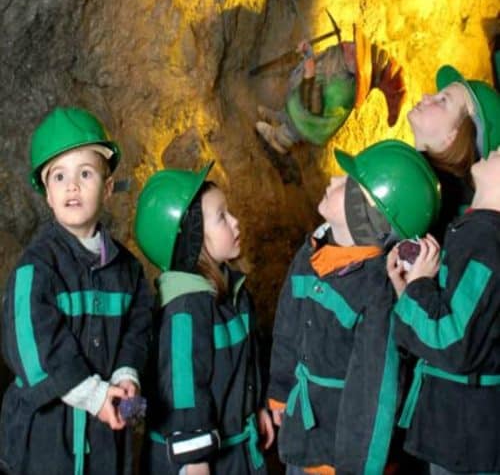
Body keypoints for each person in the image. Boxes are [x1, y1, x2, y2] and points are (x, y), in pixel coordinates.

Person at [267, 140, 441, 475]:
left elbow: (373, 392)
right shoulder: (312, 254)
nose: (332, 181)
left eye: (346, 182)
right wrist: (279, 390)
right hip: (300, 434)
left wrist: (355, 468)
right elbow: (287, 327)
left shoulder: (377, 290)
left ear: (368, 213)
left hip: (340, 454)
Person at [0, 107, 153, 475]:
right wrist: (94, 395)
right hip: (45, 442)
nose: (72, 186)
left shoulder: (128, 271)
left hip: (103, 441)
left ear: (108, 185)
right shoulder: (35, 269)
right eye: (59, 176)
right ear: (47, 194)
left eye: (85, 173)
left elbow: (139, 328)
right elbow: (32, 350)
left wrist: (126, 375)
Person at [135, 162, 274, 475]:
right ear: (192, 238)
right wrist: (193, 461)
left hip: (236, 454)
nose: (236, 223)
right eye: (222, 217)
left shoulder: (232, 292)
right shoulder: (185, 311)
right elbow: (184, 392)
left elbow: (246, 364)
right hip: (200, 463)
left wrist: (255, 409)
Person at [386, 148, 500, 474]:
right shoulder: (475, 231)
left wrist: (420, 285)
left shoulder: (485, 243)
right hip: (456, 428)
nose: (497, 148)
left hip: (466, 435)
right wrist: (408, 292)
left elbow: (454, 344)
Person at [255, 25, 406, 154]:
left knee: (293, 129)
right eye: (354, 44)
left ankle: (279, 139)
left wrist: (309, 73)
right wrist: (309, 53)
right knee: (291, 113)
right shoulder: (341, 67)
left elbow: (313, 105)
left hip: (308, 121)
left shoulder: (341, 91)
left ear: (358, 72)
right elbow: (321, 66)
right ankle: (280, 117)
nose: (348, 45)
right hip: (299, 106)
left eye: (354, 52)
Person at [407, 64, 500, 242]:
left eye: (443, 100)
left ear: (454, 135)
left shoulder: (424, 200)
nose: (426, 97)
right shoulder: (454, 204)